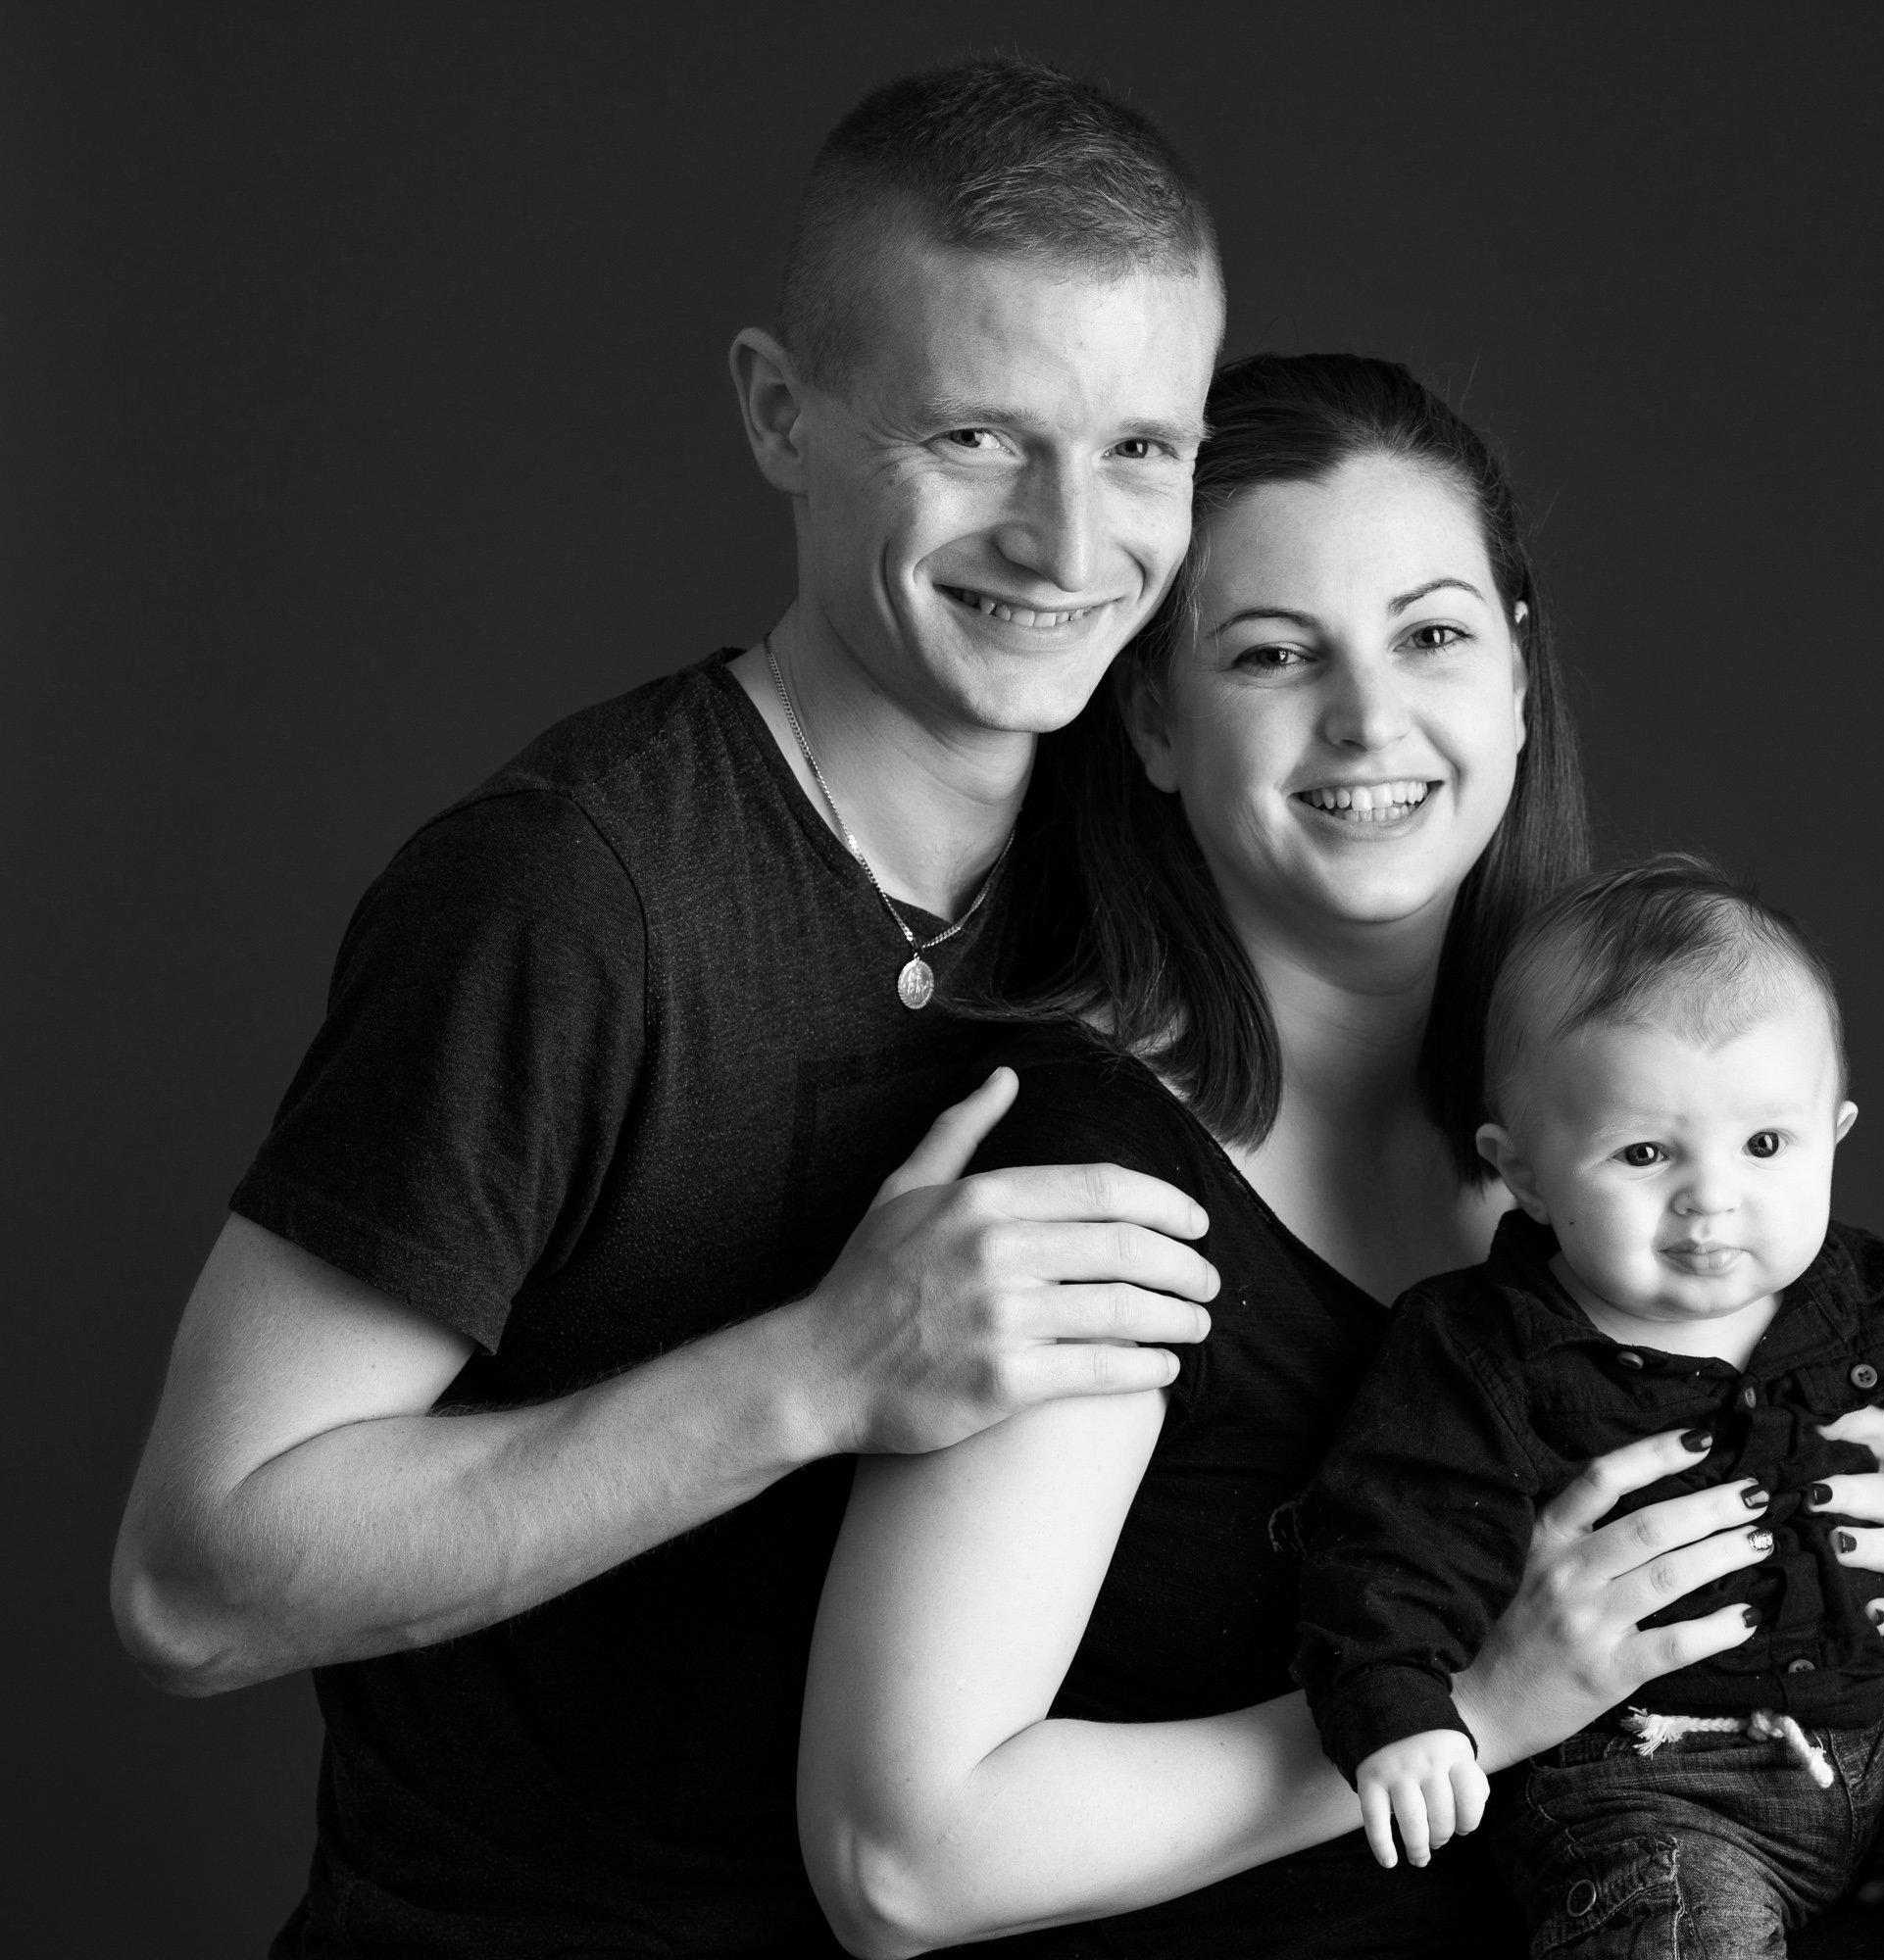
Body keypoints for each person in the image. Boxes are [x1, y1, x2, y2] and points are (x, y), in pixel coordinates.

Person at [800, 354, 1884, 1960]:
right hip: (1363, 1929)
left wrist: (1833, 1556)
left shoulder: (1605, 1084)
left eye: (1432, 634)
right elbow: (901, 1864)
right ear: (1153, 721)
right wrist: (1498, 1698)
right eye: (1273, 654)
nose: (1371, 716)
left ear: (1517, 673)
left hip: (1689, 1864)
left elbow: (1879, 1426)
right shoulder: (1095, 1177)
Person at [109, 61, 1231, 1955]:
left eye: (1143, 450)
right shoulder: (569, 891)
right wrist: (815, 1375)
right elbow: (190, 1587)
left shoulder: (1162, 861)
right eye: (976, 436)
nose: (1067, 542)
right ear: (782, 412)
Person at [1294, 855, 1884, 1959]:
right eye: (1644, 1151)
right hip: (1645, 1768)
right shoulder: (1483, 1344)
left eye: (1764, 1144)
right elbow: (1394, 1535)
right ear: (1521, 1170)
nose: (1711, 1198)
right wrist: (1404, 1710)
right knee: (1659, 1897)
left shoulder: (1864, 1296)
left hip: (1879, 1730)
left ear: (1835, 1133)